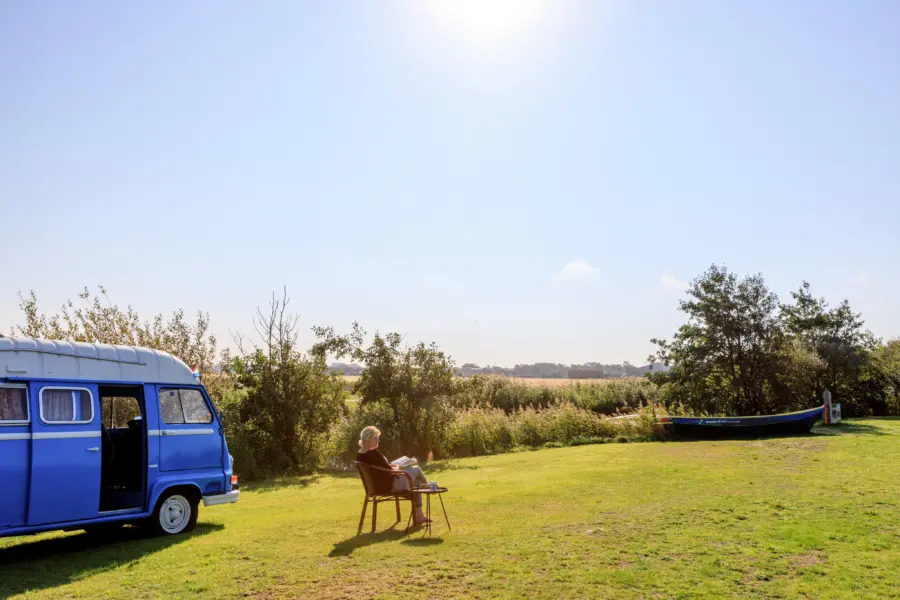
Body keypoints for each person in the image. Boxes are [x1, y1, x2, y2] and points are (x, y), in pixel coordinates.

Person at [356, 425, 431, 525]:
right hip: (392, 485)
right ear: (369, 438)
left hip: (380, 486)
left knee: (416, 482)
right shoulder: (373, 454)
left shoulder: (360, 455)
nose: (378, 440)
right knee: (416, 469)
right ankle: (427, 486)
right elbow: (389, 470)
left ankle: (419, 516)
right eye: (377, 438)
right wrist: (401, 466)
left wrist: (393, 466)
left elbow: (380, 468)